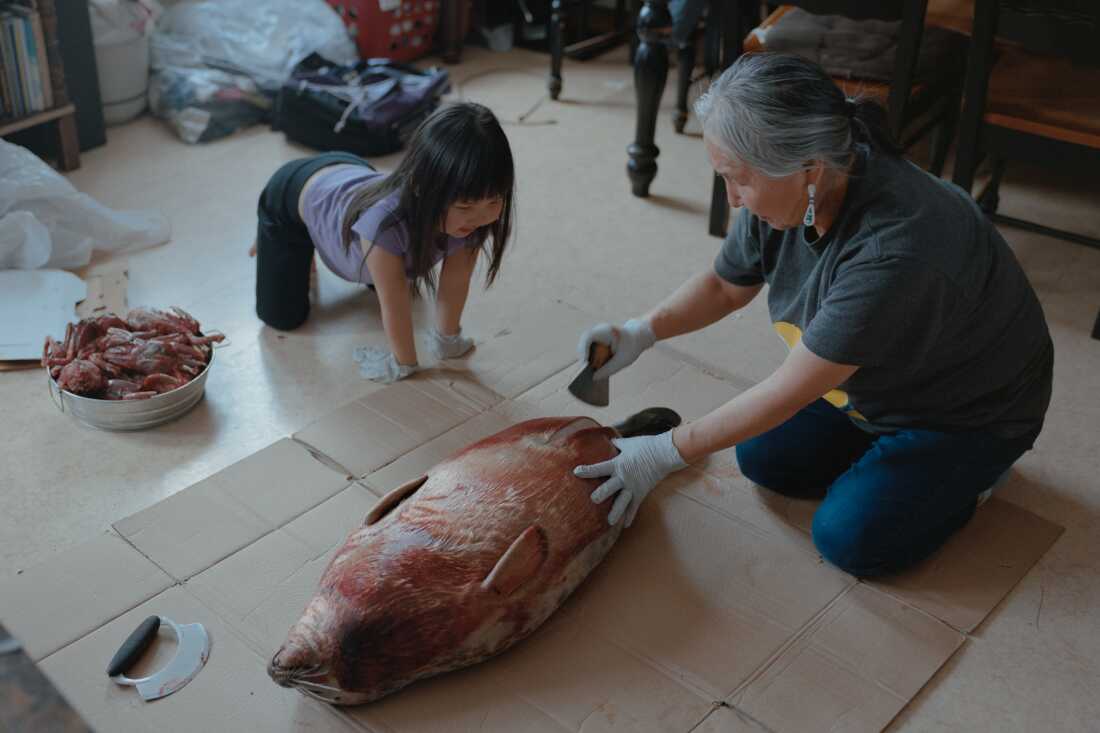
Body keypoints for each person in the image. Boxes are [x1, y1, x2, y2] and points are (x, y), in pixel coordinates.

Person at [574, 53, 1053, 577]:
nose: (732, 199)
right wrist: (640, 331)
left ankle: (977, 476)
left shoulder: (895, 252)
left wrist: (661, 453)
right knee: (762, 458)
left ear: (810, 170)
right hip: (874, 381)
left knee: (850, 540)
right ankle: (888, 459)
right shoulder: (791, 188)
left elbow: (790, 389)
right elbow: (724, 285)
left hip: (965, 413)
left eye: (739, 181)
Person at [252, 102, 515, 383]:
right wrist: (405, 364)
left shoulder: (476, 214)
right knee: (283, 318)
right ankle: (281, 237)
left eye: (494, 201)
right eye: (464, 206)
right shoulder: (382, 226)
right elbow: (394, 302)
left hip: (351, 177)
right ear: (421, 189)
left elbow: (456, 280)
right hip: (291, 193)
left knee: (385, 273)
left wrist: (447, 339)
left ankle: (306, 238)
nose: (481, 216)